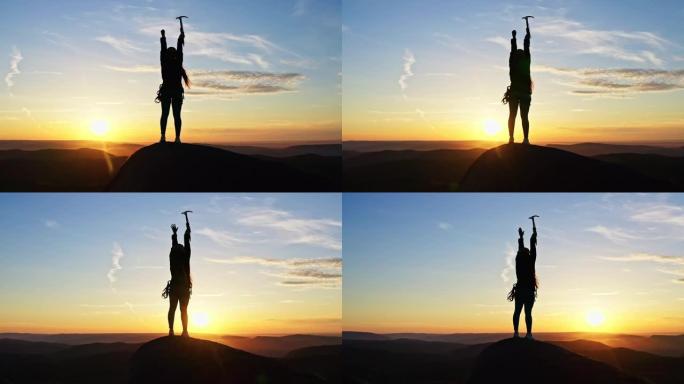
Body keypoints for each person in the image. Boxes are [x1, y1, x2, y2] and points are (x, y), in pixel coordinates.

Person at [156, 19, 190, 144]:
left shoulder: (165, 62)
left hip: (168, 91)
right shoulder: (177, 61)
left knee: (166, 114)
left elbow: (164, 49)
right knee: (175, 115)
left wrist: (164, 37)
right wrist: (180, 36)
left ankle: (165, 137)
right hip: (174, 91)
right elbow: (178, 47)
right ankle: (176, 138)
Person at [507, 216, 538, 339]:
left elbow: (523, 247)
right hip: (529, 291)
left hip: (520, 290)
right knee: (528, 313)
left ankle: (516, 333)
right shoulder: (531, 260)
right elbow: (533, 243)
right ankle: (529, 334)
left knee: (517, 312)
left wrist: (521, 237)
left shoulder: (519, 260)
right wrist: (534, 226)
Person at [503, 20, 532, 144]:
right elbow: (526, 46)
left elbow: (514, 49)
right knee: (524, 116)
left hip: (515, 92)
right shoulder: (525, 62)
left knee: (512, 115)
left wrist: (514, 37)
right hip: (524, 93)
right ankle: (525, 139)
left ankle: (511, 138)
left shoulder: (513, 63)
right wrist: (527, 34)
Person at [162, 213, 192, 337]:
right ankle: (182, 331)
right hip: (182, 286)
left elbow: (180, 240)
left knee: (174, 309)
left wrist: (175, 233)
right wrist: (186, 222)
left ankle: (172, 330)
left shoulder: (174, 256)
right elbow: (186, 238)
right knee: (182, 309)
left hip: (176, 286)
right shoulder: (185, 256)